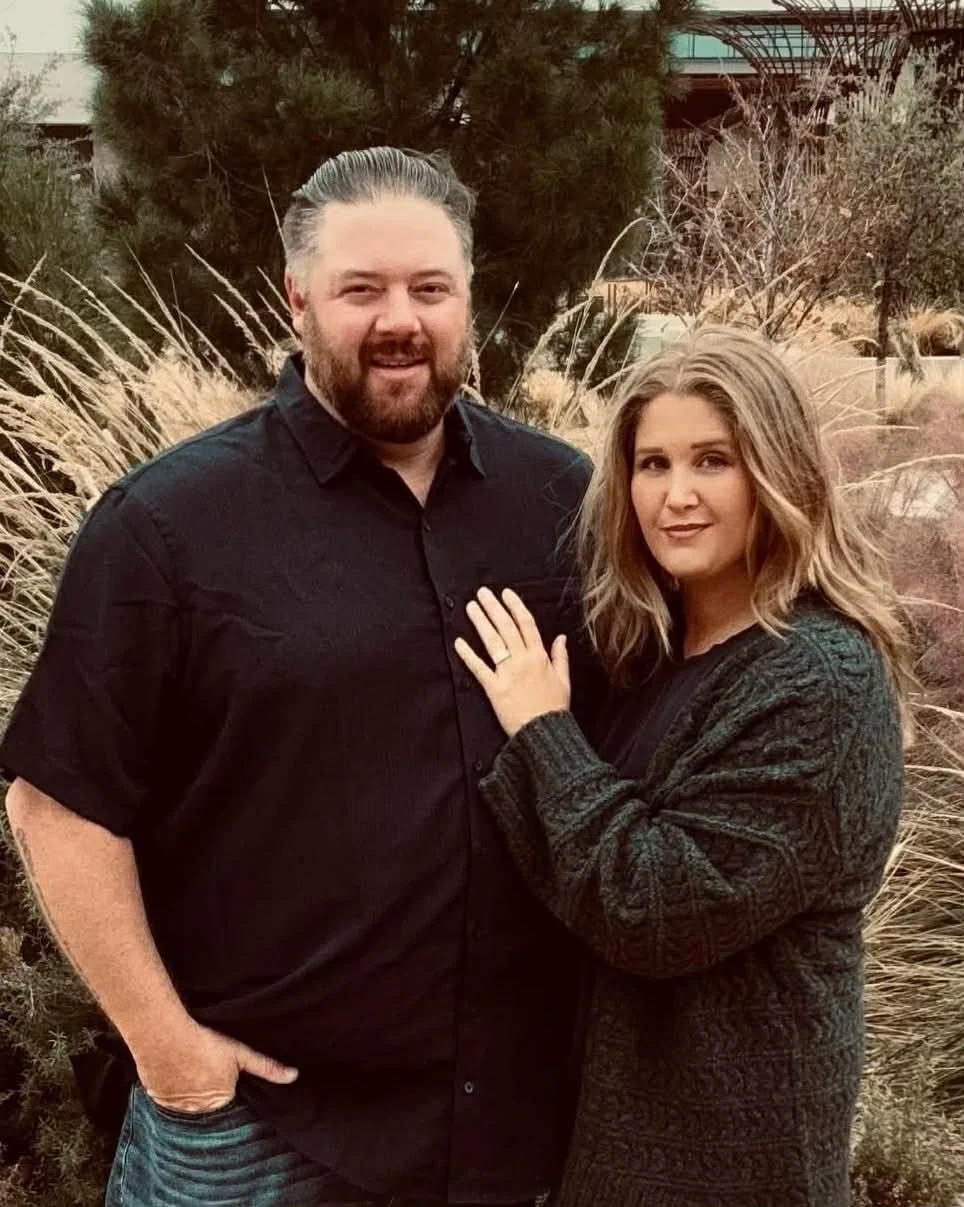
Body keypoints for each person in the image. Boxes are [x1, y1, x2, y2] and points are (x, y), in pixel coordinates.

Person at [0, 147, 601, 1207]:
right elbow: (58, 802)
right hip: (257, 1133)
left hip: (505, 1128)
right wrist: (168, 1048)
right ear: (297, 300)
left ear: (469, 295)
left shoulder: (561, 500)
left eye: (430, 287)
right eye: (360, 289)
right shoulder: (169, 527)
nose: (399, 320)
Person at [454, 326, 910, 1207]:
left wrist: (543, 730)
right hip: (614, 1153)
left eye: (713, 461)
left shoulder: (818, 677)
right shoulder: (658, 651)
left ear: (778, 472)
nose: (677, 496)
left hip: (732, 1169)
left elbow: (653, 908)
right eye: (653, 465)